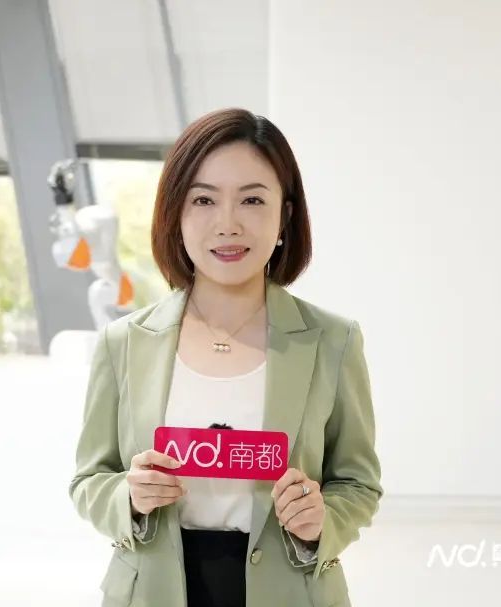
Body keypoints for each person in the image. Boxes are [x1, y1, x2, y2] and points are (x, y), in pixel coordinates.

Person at [69, 107, 383, 607]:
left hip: (290, 590)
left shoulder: (333, 340)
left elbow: (358, 483)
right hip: (152, 591)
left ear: (285, 216)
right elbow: (89, 478)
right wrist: (128, 496)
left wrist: (323, 519)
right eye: (204, 200)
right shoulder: (123, 342)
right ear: (176, 214)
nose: (228, 224)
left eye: (252, 200)